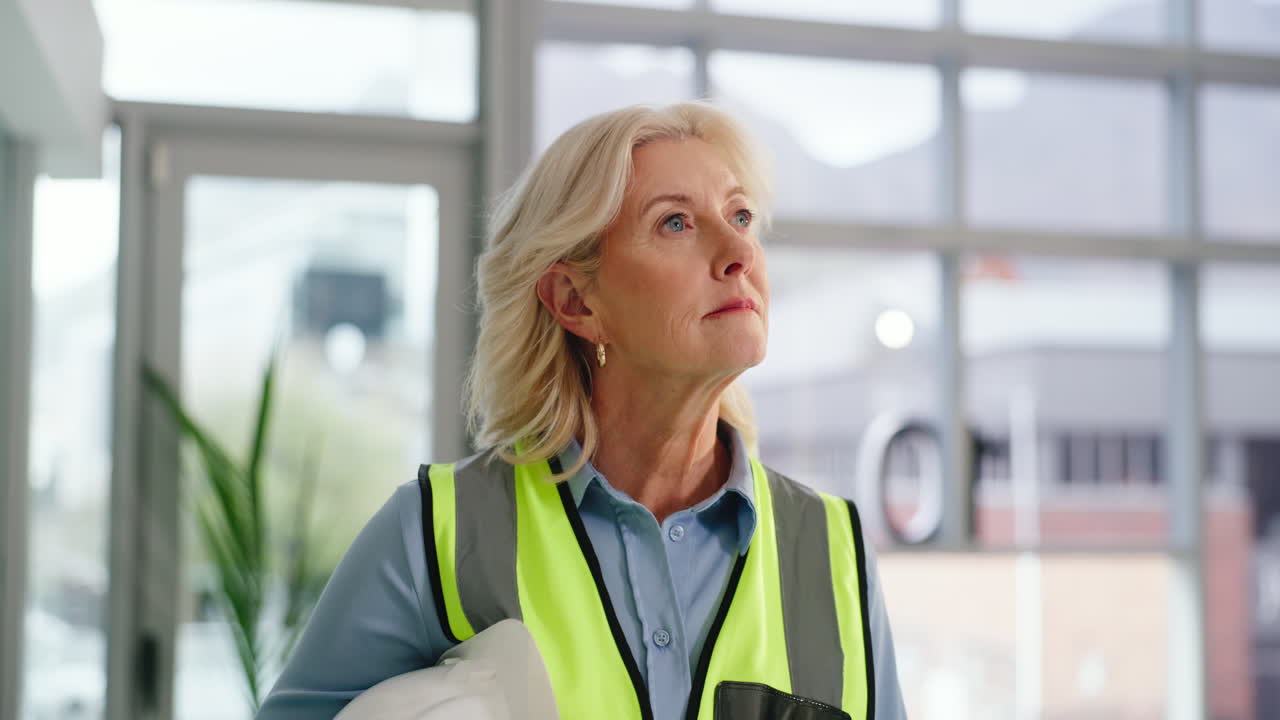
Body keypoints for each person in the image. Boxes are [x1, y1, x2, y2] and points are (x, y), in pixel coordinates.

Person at [257, 102, 907, 720]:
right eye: (675, 221)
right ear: (575, 302)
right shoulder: (436, 534)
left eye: (739, 216)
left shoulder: (837, 552)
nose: (738, 251)